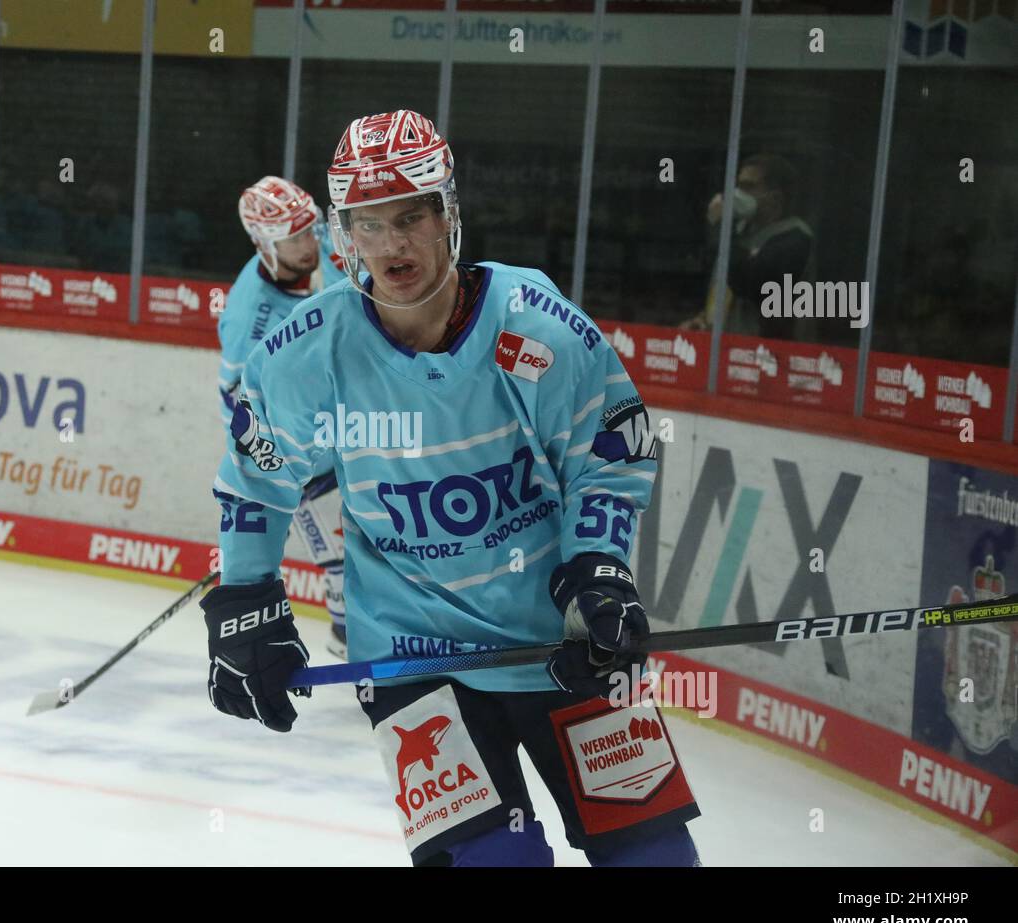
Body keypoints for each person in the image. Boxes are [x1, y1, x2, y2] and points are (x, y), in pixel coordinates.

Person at [202, 110, 700, 866]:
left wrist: (599, 569)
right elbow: (256, 475)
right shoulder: (307, 349)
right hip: (411, 658)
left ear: (448, 217)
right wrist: (246, 601)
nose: (393, 244)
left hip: (561, 642)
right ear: (346, 235)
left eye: (412, 217)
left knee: (656, 860)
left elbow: (607, 451)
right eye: (369, 224)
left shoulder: (533, 326)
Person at [217, 175, 348, 657]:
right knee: (343, 569)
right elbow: (237, 406)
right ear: (262, 242)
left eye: (309, 228)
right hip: (312, 456)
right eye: (293, 236)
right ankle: (350, 642)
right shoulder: (249, 315)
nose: (307, 241)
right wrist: (278, 472)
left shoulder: (329, 241)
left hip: (370, 424)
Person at [684, 153, 813, 339]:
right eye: (737, 186)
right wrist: (706, 321)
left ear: (775, 198)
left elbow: (748, 283)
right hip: (723, 348)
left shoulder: (795, 238)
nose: (737, 194)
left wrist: (722, 225)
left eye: (748, 187)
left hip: (762, 354)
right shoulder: (740, 233)